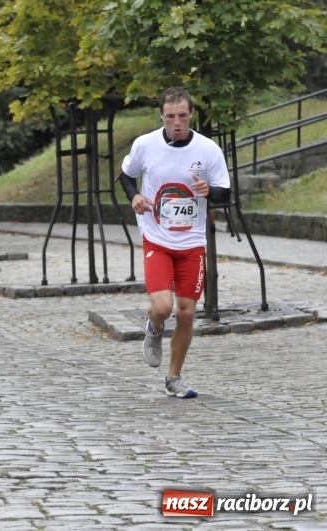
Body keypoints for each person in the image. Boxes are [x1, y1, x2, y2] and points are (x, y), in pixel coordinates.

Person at [118, 87, 231, 399]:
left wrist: (210, 191)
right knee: (164, 308)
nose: (177, 122)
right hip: (157, 238)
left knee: (186, 313)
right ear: (161, 116)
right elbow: (125, 175)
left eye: (182, 116)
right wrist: (135, 196)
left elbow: (226, 194)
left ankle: (174, 377)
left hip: (192, 243)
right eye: (170, 117)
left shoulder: (208, 150)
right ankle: (154, 327)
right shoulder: (145, 144)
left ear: (191, 114)